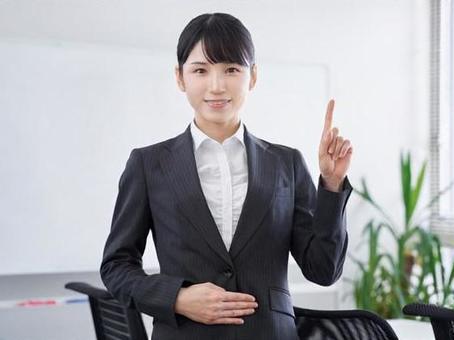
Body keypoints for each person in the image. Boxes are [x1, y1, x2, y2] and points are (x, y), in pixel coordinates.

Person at [100, 12, 353, 340]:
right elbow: (116, 267)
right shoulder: (148, 164)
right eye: (200, 70)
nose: (216, 86)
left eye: (231, 69)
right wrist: (176, 297)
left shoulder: (286, 163)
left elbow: (323, 270)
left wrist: (331, 185)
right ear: (180, 77)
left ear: (253, 77)